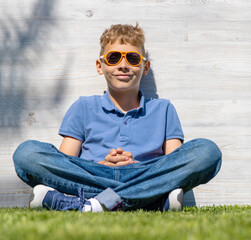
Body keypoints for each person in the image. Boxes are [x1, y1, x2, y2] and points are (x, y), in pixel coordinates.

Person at [12, 23, 222, 212]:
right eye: (114, 58)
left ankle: (92, 205)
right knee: (27, 154)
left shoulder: (164, 109)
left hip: (144, 174)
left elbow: (175, 165)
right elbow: (66, 162)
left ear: (144, 67)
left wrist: (136, 166)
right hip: (94, 174)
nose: (123, 65)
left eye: (132, 58)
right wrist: (102, 165)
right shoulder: (83, 106)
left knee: (207, 152)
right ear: (100, 66)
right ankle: (150, 202)